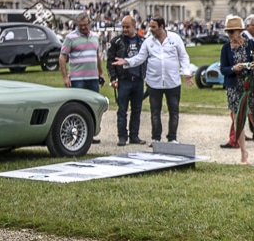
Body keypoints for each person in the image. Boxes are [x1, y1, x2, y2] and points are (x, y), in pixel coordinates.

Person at [113, 15, 193, 145]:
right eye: (150, 26)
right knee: (155, 112)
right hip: (154, 82)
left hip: (172, 82)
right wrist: (126, 61)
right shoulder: (148, 42)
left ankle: (172, 138)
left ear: (162, 27)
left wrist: (187, 73)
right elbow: (140, 58)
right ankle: (156, 138)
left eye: (153, 27)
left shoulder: (175, 39)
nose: (151, 29)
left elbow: (183, 57)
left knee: (174, 111)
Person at [219, 15, 254, 164]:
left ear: (239, 31)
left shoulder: (251, 45)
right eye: (228, 32)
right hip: (234, 87)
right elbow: (223, 69)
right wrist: (233, 68)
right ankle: (243, 153)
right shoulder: (226, 48)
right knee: (238, 120)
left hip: (251, 86)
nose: (229, 34)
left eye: (232, 31)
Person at [106, 15, 146, 146]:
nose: (125, 29)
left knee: (137, 109)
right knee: (122, 110)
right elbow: (110, 61)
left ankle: (134, 136)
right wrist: (113, 78)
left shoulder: (142, 41)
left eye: (127, 27)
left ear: (134, 26)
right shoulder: (116, 41)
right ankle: (122, 136)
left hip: (138, 80)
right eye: (123, 27)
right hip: (124, 80)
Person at [60, 12, 104, 93]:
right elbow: (62, 57)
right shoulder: (70, 38)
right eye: (80, 25)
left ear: (89, 23)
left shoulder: (95, 37)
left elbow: (97, 56)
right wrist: (65, 77)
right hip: (77, 79)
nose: (83, 27)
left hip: (93, 78)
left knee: (94, 103)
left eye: (85, 25)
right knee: (78, 104)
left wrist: (101, 73)